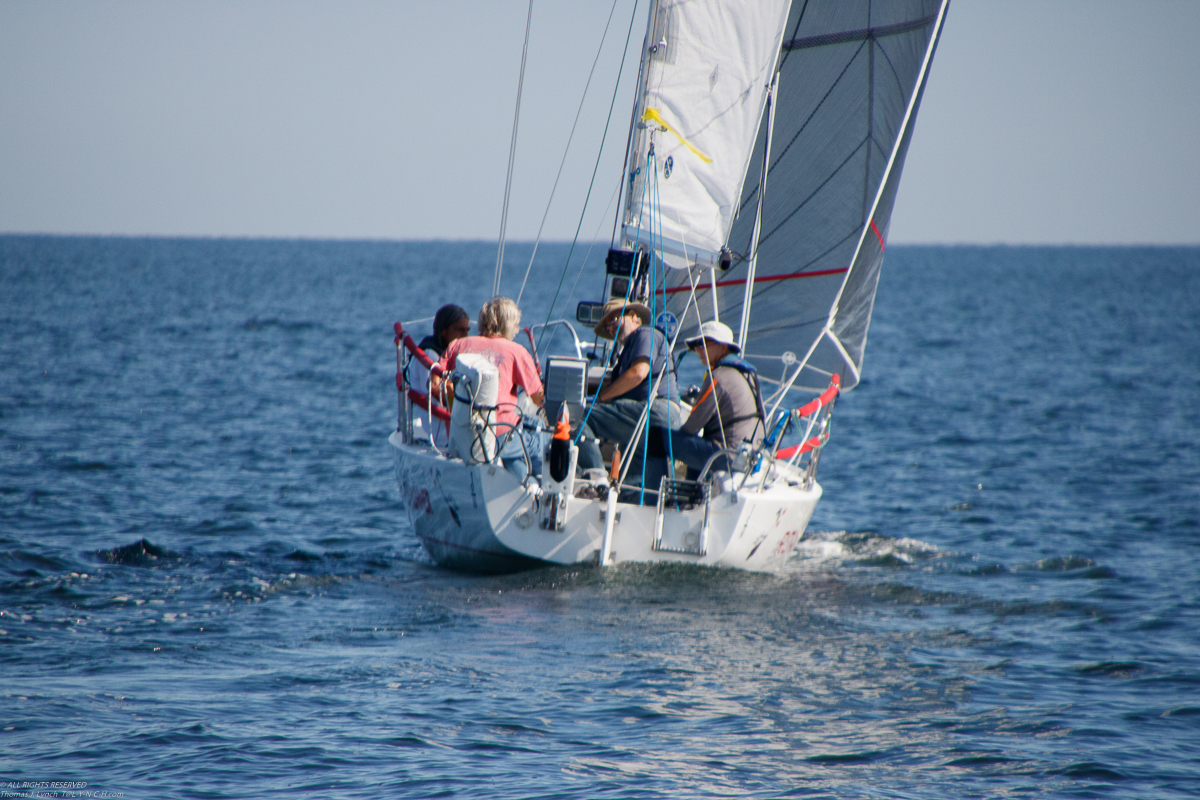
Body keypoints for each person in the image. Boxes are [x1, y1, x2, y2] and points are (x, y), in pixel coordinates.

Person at [576, 298, 681, 497]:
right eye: (607, 326)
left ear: (635, 318)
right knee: (635, 491)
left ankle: (597, 478)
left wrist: (601, 399)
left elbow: (639, 373)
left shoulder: (645, 333)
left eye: (613, 319)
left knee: (578, 416)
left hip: (653, 412)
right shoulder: (626, 354)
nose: (610, 328)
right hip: (661, 421)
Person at [431, 297, 545, 479]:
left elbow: (435, 378)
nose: (516, 330)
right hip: (501, 435)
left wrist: (446, 396)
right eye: (515, 325)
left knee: (515, 454)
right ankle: (542, 490)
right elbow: (538, 398)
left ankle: (520, 481)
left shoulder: (458, 345)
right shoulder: (516, 351)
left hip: (464, 433)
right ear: (508, 325)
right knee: (541, 439)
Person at [652, 320, 765, 479]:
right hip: (749, 457)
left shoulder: (718, 376)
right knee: (696, 445)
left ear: (723, 347)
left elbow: (692, 426)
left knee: (653, 437)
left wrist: (674, 442)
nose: (699, 349)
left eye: (705, 343)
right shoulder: (749, 374)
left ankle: (650, 494)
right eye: (696, 345)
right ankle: (692, 495)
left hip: (726, 456)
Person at [405, 304, 470, 448]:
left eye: (467, 331)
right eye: (460, 330)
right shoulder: (430, 356)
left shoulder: (445, 352)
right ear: (444, 331)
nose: (465, 337)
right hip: (441, 432)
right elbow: (437, 394)